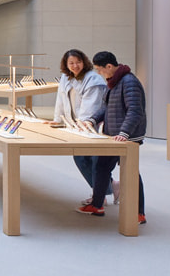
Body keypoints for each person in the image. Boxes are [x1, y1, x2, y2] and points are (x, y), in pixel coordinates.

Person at [78, 51, 147, 225]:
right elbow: (107, 108)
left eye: (100, 70)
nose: (99, 74)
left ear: (109, 66)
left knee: (130, 173)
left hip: (127, 137)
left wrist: (124, 133)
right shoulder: (114, 82)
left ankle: (138, 213)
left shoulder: (129, 82)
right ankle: (97, 205)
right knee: (101, 168)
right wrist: (92, 119)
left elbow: (135, 111)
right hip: (112, 136)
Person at [51, 48, 110, 203]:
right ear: (66, 64)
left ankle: (100, 195)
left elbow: (92, 105)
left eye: (78, 62)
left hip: (91, 126)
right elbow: (61, 99)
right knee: (81, 157)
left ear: (84, 62)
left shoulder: (93, 79)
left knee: (92, 159)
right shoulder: (65, 77)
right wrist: (58, 119)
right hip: (76, 126)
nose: (75, 65)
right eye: (71, 63)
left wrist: (82, 124)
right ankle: (107, 189)